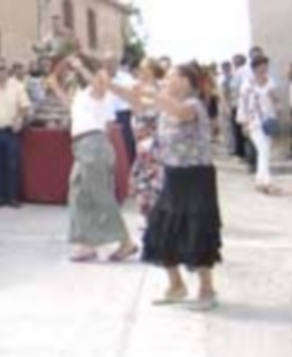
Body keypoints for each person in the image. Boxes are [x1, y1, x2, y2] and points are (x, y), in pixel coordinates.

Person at [116, 63, 222, 310]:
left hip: (196, 177)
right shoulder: (164, 105)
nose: (166, 80)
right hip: (172, 176)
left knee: (197, 232)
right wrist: (102, 80)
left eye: (172, 76)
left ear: (186, 81)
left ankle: (207, 290)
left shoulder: (193, 105)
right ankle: (176, 286)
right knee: (160, 231)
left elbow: (180, 112)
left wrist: (153, 91)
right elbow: (133, 98)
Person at [46, 56, 138, 263]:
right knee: (78, 193)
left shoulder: (97, 88)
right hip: (83, 146)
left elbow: (100, 85)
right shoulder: (82, 94)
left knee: (99, 195)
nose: (71, 73)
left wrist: (81, 66)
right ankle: (86, 244)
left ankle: (125, 242)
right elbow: (71, 107)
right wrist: (56, 87)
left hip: (93, 144)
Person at [0, 59, 31, 208]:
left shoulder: (17, 86)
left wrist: (19, 118)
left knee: (12, 165)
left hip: (10, 131)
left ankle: (12, 197)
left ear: (7, 70)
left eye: (2, 68)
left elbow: (25, 105)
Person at [126, 58, 165, 223]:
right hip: (141, 136)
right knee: (143, 175)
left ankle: (156, 213)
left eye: (145, 69)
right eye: (141, 69)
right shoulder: (135, 87)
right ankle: (145, 213)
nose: (142, 72)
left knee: (155, 175)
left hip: (155, 138)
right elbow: (136, 110)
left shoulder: (161, 88)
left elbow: (159, 109)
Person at [240, 55, 282, 195]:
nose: (264, 68)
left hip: (268, 120)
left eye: (266, 65)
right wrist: (244, 123)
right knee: (263, 150)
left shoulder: (270, 82)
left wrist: (276, 102)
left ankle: (259, 180)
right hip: (253, 121)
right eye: (262, 65)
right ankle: (268, 182)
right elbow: (243, 104)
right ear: (255, 67)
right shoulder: (247, 84)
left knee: (264, 151)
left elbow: (276, 100)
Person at [104, 52, 138, 166]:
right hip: (104, 117)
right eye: (106, 63)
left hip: (123, 116)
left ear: (117, 63)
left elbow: (133, 95)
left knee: (126, 147)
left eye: (111, 63)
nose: (109, 65)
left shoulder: (126, 78)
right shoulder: (99, 78)